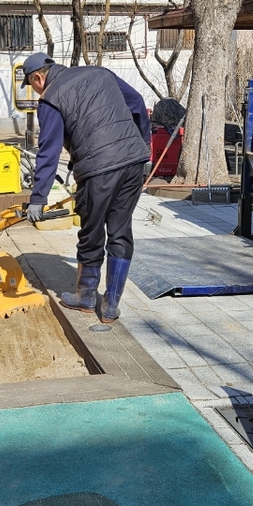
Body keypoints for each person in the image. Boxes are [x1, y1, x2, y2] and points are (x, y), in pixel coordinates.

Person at [21, 52, 151, 324]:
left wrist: (38, 198)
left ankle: (86, 296)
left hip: (99, 170)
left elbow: (49, 151)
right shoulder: (99, 72)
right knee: (120, 230)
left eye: (31, 85)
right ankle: (112, 306)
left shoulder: (50, 98)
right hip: (133, 163)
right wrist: (144, 148)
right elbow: (137, 103)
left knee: (91, 232)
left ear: (38, 77)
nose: (34, 91)